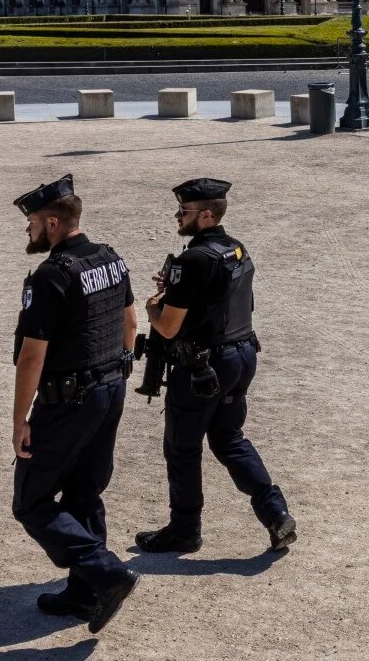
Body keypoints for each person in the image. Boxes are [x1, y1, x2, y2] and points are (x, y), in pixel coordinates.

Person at [136, 177, 297, 555]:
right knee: (229, 439)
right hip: (241, 357)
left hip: (201, 368)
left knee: (182, 448)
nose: (178, 216)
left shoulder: (192, 260)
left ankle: (184, 531)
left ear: (206, 215)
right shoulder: (235, 249)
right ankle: (276, 515)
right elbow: (222, 298)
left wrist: (153, 307)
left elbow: (169, 326)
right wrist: (179, 291)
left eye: (184, 211)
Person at [9, 173, 139, 631]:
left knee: (31, 500)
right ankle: (86, 594)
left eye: (31, 223)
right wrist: (116, 374)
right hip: (110, 388)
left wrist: (20, 419)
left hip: (68, 400)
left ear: (52, 221)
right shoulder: (111, 258)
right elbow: (130, 322)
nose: (28, 231)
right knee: (85, 490)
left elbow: (31, 355)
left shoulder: (51, 275)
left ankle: (105, 573)